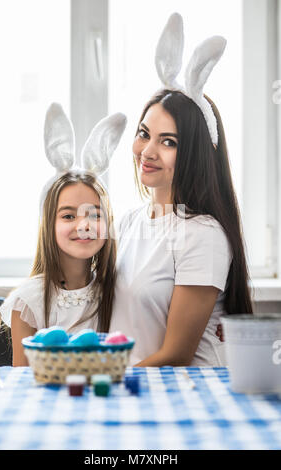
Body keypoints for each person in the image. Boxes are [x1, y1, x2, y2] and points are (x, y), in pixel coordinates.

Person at [109, 13, 253, 367]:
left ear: (194, 152)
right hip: (134, 385)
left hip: (186, 393)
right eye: (144, 134)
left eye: (168, 142)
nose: (148, 151)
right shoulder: (129, 222)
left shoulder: (202, 234)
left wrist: (107, 381)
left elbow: (175, 355)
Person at [0, 104, 126, 366]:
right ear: (49, 224)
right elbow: (22, 380)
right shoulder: (28, 301)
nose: (83, 225)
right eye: (68, 216)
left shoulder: (117, 291)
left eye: (94, 215)